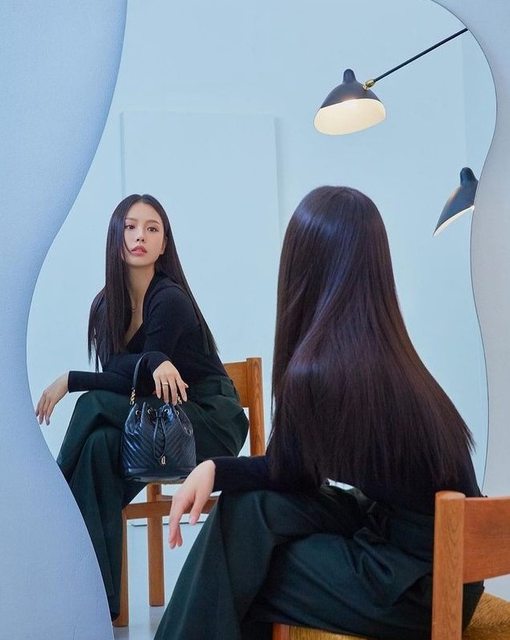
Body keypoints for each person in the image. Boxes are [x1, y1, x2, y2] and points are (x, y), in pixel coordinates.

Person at [154, 186, 484, 640]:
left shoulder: (322, 370)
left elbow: (292, 473)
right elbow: (295, 473)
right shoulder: (389, 360)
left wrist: (217, 470)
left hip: (417, 585)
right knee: (249, 510)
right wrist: (215, 469)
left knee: (241, 565)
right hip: (431, 559)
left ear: (302, 266)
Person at [35, 193, 248, 620]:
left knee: (92, 403)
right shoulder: (105, 307)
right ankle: (97, 605)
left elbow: (125, 384)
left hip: (206, 421)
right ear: (116, 239)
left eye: (152, 229)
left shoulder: (170, 299)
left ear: (164, 244)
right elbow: (123, 379)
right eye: (131, 227)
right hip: (152, 424)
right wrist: (148, 361)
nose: (140, 237)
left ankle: (50, 501)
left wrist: (72, 380)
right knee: (98, 448)